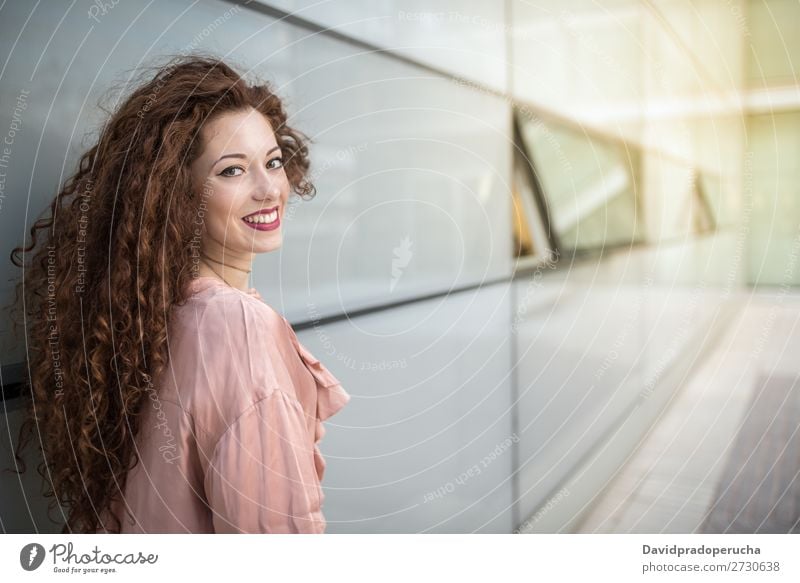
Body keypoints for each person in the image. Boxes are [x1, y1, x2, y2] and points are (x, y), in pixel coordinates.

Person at [8, 55, 350, 533]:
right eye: (232, 171)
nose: (270, 188)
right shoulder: (237, 328)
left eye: (273, 162)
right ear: (177, 192)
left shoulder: (148, 315)